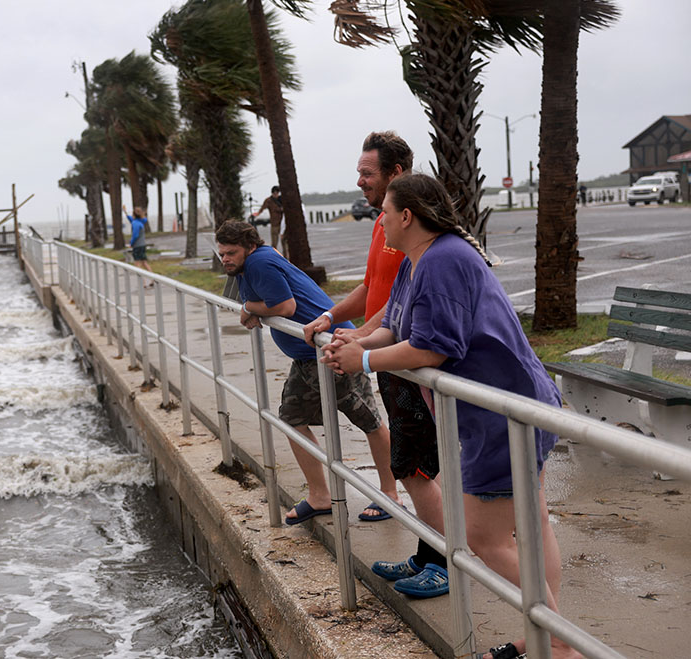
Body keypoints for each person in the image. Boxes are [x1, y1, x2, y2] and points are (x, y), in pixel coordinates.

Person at [323, 174, 570, 659]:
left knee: (483, 536)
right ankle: (544, 634)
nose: (380, 222)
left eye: (385, 213)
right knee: (532, 525)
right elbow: (397, 325)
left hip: (503, 413)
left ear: (407, 216)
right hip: (509, 408)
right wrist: (359, 341)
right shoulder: (420, 259)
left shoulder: (444, 260)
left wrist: (365, 361)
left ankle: (560, 644)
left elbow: (433, 348)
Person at [302, 131, 451, 598]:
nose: (360, 181)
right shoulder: (384, 225)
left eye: (367, 173)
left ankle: (443, 562)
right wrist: (335, 320)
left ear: (396, 174)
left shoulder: (414, 233)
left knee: (416, 466)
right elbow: (376, 291)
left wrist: (364, 348)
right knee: (413, 464)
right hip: (389, 356)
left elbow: (409, 306)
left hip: (407, 359)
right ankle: (427, 554)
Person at [215, 220, 400, 526]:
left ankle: (390, 494)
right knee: (292, 418)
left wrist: (250, 308)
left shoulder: (259, 262)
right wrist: (252, 308)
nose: (225, 259)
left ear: (249, 247)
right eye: (222, 253)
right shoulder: (252, 262)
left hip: (332, 350)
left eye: (231, 253)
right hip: (306, 357)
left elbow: (285, 307)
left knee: (369, 420)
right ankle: (320, 496)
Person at [251, 186, 283, 254]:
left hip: (283, 223)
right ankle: (274, 255)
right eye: (274, 193)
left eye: (277, 193)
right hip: (274, 223)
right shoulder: (269, 200)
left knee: (285, 242)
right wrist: (257, 214)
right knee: (274, 242)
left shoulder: (282, 199)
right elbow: (262, 208)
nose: (276, 194)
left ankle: (287, 257)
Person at [129, 206, 154, 275]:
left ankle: (142, 280)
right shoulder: (141, 222)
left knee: (137, 264)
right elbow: (132, 219)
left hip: (137, 246)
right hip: (142, 245)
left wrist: (131, 243)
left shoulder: (135, 223)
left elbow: (135, 235)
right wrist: (126, 213)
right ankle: (152, 277)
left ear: (134, 214)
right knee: (144, 263)